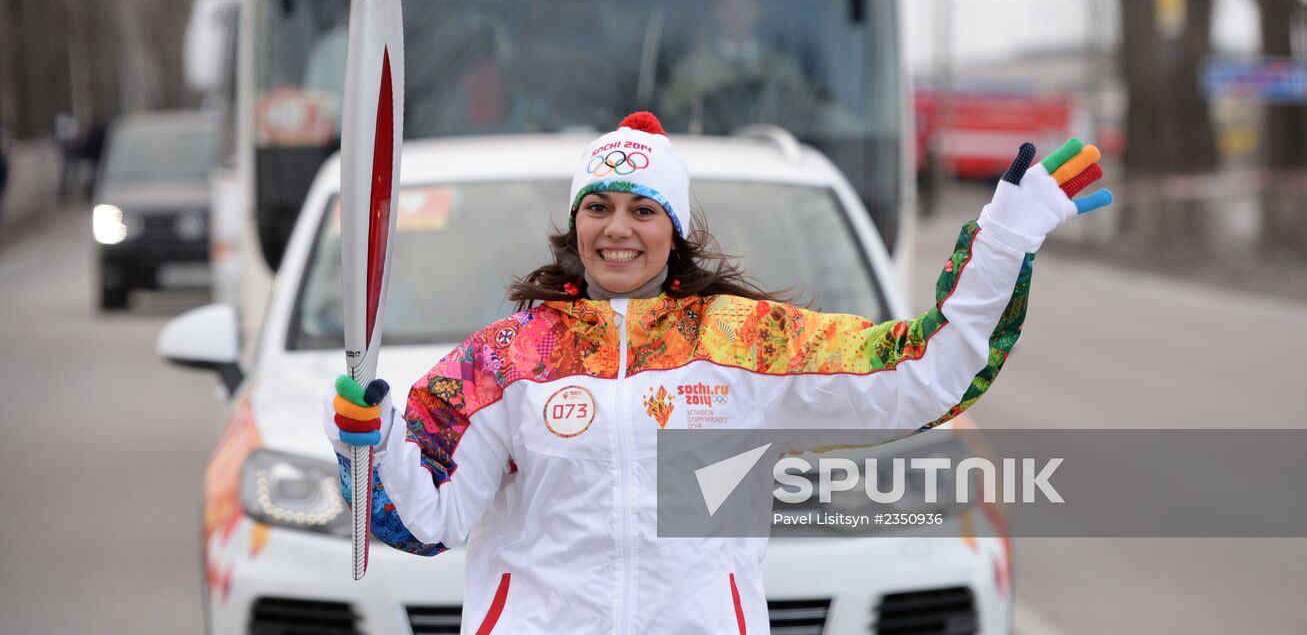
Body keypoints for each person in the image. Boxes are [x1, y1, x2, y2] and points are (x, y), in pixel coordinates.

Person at [324, 111, 1111, 633]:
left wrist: (1004, 241)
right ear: (574, 225)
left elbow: (924, 372)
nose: (617, 230)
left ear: (674, 228)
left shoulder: (742, 343)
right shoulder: (505, 358)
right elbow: (425, 520)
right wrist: (366, 438)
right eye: (598, 207)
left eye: (642, 210)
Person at [659, 0, 821, 135]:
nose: (738, 12)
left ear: (758, 10)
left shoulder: (781, 68)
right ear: (717, 11)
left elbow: (806, 115)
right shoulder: (693, 70)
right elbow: (673, 120)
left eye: (746, 4)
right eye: (729, 4)